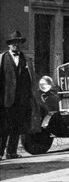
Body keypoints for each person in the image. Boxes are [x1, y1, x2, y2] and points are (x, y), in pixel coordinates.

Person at [0, 31, 38, 160]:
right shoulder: (2, 58)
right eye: (13, 43)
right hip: (6, 100)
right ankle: (0, 152)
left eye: (18, 42)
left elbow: (30, 79)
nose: (16, 45)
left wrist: (29, 97)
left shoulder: (26, 59)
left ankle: (11, 152)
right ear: (9, 45)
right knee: (3, 127)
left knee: (16, 127)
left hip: (21, 100)